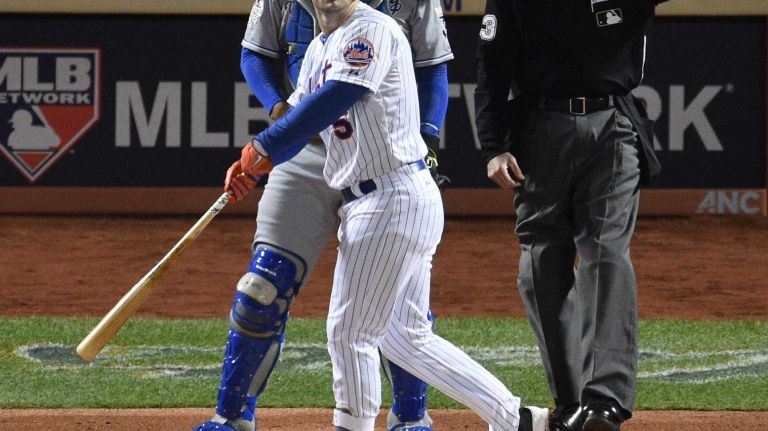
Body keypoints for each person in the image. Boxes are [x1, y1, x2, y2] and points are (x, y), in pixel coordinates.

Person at [200, 0, 550, 429]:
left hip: (390, 196)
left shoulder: (372, 31)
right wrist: (250, 169)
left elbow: (333, 99)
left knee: (350, 334)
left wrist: (263, 149)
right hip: (382, 199)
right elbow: (302, 118)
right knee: (406, 338)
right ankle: (517, 420)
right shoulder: (317, 49)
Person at [474, 0, 665, 430]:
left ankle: (604, 401)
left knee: (606, 252)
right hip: (539, 128)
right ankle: (572, 400)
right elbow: (492, 66)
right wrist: (493, 146)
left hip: (613, 124)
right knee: (540, 264)